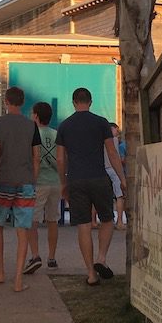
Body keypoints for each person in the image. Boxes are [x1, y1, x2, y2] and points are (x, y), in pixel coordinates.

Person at [55, 88, 126, 286]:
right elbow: (111, 152)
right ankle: (101, 258)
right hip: (99, 177)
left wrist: (63, 182)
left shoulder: (65, 126)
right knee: (107, 219)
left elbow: (60, 158)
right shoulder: (101, 122)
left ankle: (90, 274)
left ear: (73, 101)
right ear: (91, 101)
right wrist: (121, 177)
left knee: (84, 225)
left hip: (76, 179)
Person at [0, 86, 40, 291]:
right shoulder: (31, 126)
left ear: (6, 102)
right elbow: (37, 157)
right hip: (26, 181)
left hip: (5, 181)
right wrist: (32, 179)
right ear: (23, 102)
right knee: (23, 230)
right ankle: (18, 278)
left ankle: (1, 271)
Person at [26, 101, 60, 272]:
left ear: (37, 116)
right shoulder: (56, 134)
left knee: (33, 220)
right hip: (55, 181)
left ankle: (35, 255)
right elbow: (61, 157)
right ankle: (52, 257)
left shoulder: (31, 134)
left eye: (32, 113)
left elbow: (32, 159)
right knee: (52, 220)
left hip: (38, 182)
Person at [105, 123, 127, 229]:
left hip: (102, 169)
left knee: (97, 197)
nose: (117, 131)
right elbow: (115, 156)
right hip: (113, 169)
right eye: (115, 129)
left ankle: (94, 221)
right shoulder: (114, 140)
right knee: (120, 195)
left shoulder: (100, 140)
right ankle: (119, 222)